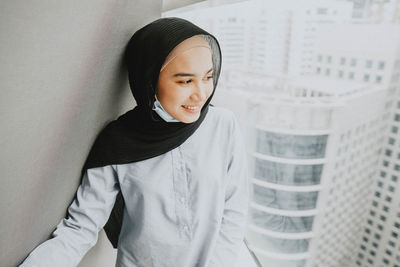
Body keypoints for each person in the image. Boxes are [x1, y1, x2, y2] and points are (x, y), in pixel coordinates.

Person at [19, 17, 250, 267]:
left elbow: (234, 211)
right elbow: (80, 228)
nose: (201, 93)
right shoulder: (117, 142)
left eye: (208, 77)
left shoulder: (223, 125)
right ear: (150, 79)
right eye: (185, 80)